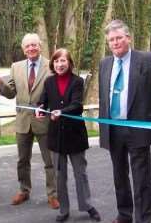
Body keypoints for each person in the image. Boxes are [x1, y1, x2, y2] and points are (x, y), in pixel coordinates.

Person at [98, 20, 151, 223]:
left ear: (128, 38)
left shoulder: (145, 59)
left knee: (141, 177)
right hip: (113, 129)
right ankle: (124, 215)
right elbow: (104, 97)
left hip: (137, 128)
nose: (115, 43)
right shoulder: (105, 63)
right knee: (119, 176)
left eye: (119, 38)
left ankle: (143, 218)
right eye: (111, 40)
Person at [35, 48, 101, 222]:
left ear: (69, 63)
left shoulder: (77, 81)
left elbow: (77, 105)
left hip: (75, 135)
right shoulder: (49, 82)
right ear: (53, 64)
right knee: (59, 175)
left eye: (63, 61)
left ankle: (87, 205)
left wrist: (61, 112)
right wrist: (40, 108)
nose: (59, 64)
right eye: (56, 61)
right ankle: (64, 210)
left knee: (81, 173)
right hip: (56, 137)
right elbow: (43, 101)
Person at [0, 33, 59, 209]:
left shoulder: (51, 65)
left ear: (40, 46)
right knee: (22, 160)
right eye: (27, 46)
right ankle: (24, 190)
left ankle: (53, 194)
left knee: (50, 161)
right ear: (24, 50)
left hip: (44, 121)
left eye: (34, 45)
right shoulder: (16, 67)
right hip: (23, 121)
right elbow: (11, 93)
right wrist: (0, 85)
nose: (31, 48)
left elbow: (56, 91)